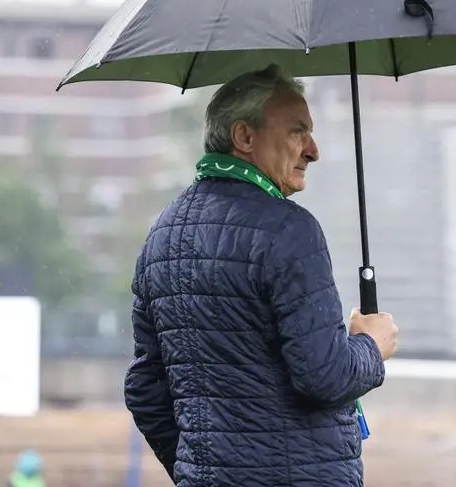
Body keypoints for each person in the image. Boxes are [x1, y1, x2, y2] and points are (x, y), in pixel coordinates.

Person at [123, 63, 399, 486]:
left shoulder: (160, 237)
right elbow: (324, 376)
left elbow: (146, 389)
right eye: (297, 131)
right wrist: (370, 345)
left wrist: (199, 472)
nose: (313, 150)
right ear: (244, 137)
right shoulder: (290, 230)